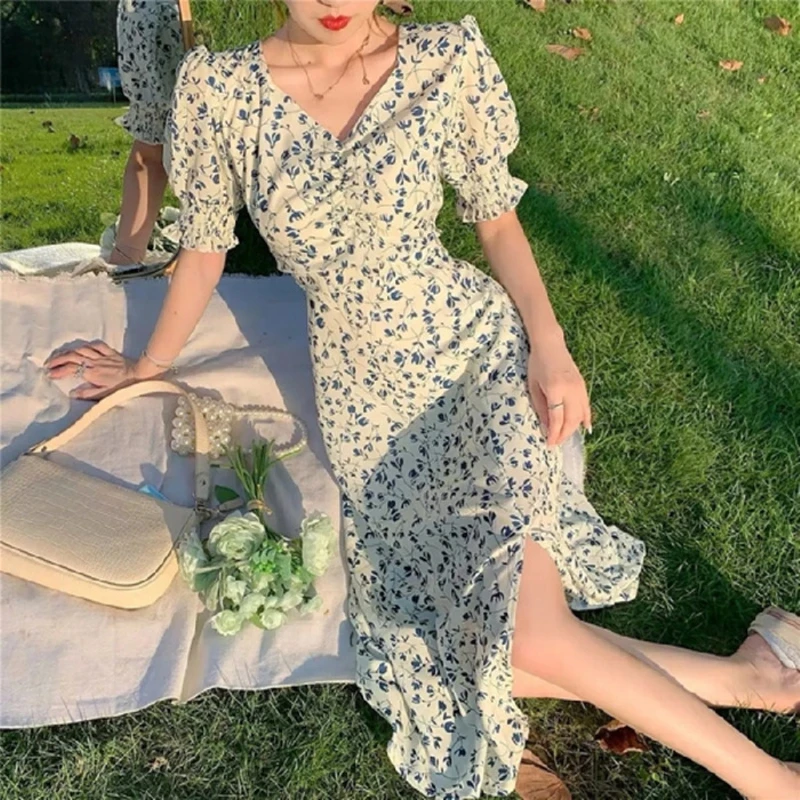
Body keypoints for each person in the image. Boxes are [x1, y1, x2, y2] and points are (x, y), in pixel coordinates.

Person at [45, 2, 800, 798]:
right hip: (368, 408)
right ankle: (754, 678)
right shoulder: (220, 90)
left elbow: (497, 222)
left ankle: (772, 782)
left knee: (530, 634)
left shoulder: (444, 61)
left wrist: (550, 346)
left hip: (473, 356)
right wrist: (146, 366)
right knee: (474, 649)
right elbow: (203, 249)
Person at [108, 0, 183, 266]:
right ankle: (128, 254)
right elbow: (150, 155)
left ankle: (128, 253)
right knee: (153, 139)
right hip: (161, 17)